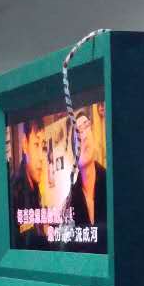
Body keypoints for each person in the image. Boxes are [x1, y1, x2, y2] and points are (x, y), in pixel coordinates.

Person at [61, 107, 107, 252]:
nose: (84, 137)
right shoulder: (69, 204)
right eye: (78, 132)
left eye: (86, 126)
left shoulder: (113, 185)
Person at [9, 116, 47, 248]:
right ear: (25, 145)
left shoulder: (34, 188)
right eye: (36, 145)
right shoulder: (15, 190)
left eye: (43, 147)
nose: (42, 157)